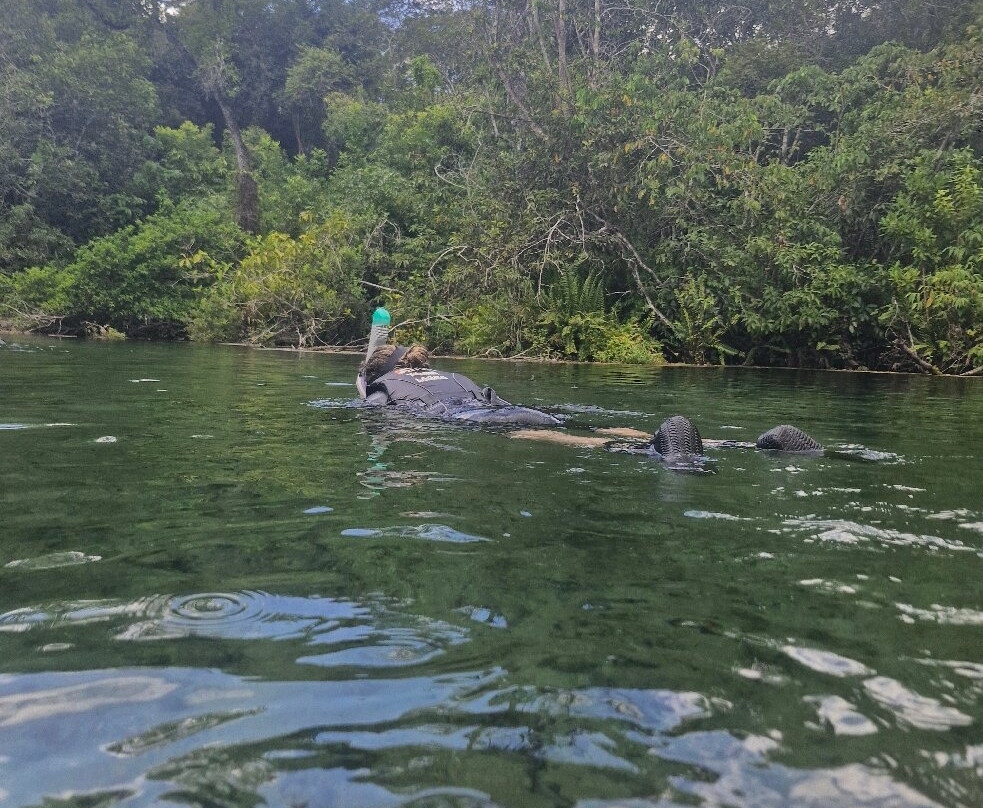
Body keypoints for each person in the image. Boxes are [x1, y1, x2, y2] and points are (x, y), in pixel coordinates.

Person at [359, 344, 561, 426]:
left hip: (468, 418)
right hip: (525, 412)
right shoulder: (449, 375)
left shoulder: (383, 385)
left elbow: (372, 410)